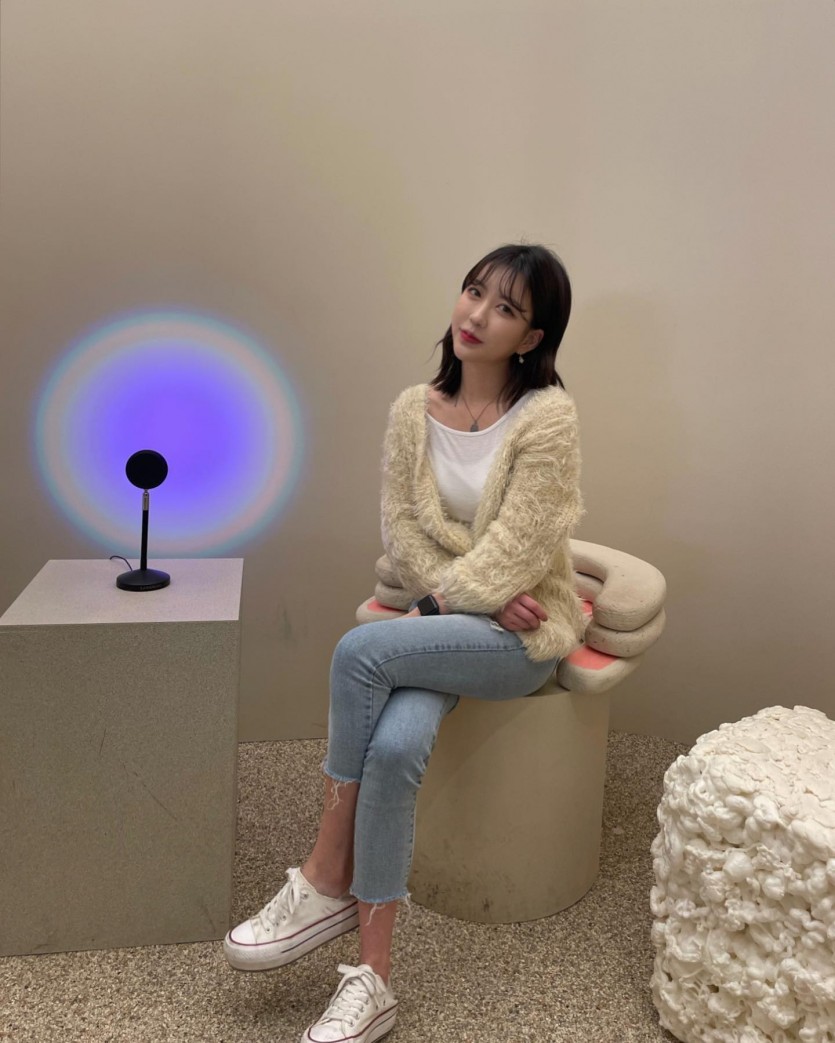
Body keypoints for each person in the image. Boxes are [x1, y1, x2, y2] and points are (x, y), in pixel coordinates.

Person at [223, 242, 586, 1043]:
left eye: (504, 308)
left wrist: (446, 601)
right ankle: (374, 981)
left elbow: (523, 545)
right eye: (473, 291)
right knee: (392, 749)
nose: (476, 314)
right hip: (464, 618)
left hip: (520, 636)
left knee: (359, 651)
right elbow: (403, 533)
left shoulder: (548, 417)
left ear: (530, 336)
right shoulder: (409, 410)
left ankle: (325, 873)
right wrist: (467, 594)